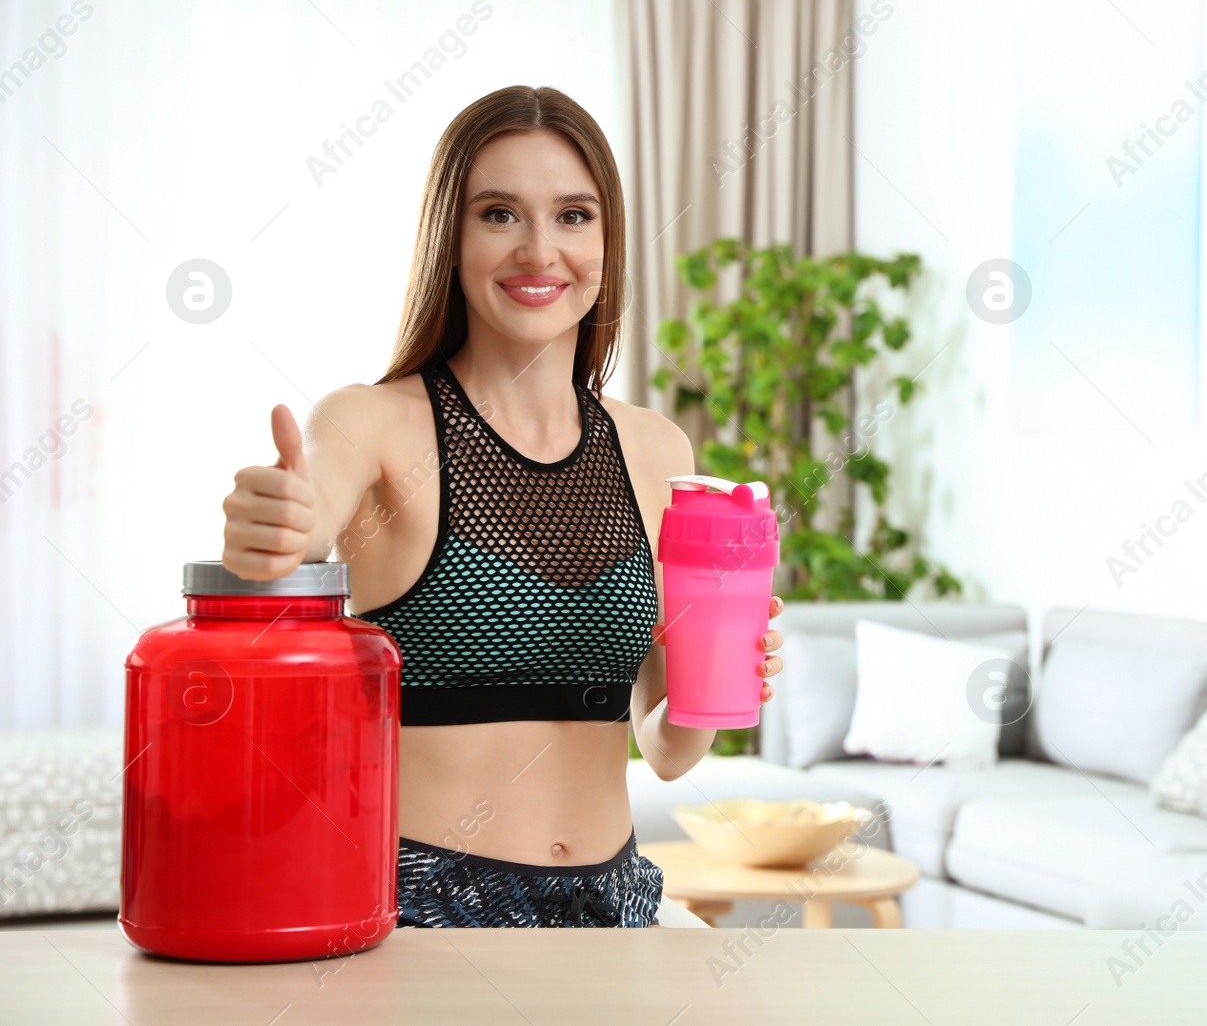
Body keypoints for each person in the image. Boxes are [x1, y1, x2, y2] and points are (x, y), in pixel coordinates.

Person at [219, 85, 785, 927]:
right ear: (451, 237)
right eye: (498, 214)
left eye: (573, 216)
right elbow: (306, 511)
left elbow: (663, 748)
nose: (539, 251)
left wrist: (726, 675)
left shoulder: (656, 449)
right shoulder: (373, 423)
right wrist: (278, 526)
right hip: (426, 902)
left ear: (607, 241)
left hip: (617, 899)